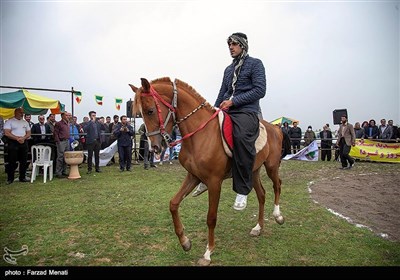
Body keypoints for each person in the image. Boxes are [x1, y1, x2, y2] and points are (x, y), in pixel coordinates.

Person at [194, 32, 266, 211]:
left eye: (234, 44)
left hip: (247, 112)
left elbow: (260, 90)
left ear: (243, 45)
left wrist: (235, 101)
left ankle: (242, 190)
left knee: (240, 136)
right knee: (205, 134)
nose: (231, 48)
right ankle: (204, 178)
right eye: (229, 45)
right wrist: (214, 110)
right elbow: (222, 92)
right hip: (226, 110)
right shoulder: (228, 69)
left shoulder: (256, 64)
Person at [3, 108, 31, 184]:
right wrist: (17, 138)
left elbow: (28, 133)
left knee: (24, 161)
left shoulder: (25, 122)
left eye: (22, 113)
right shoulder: (10, 121)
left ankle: (22, 177)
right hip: (13, 142)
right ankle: (10, 178)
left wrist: (23, 138)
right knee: (12, 161)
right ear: (15, 113)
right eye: (20, 112)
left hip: (23, 142)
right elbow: (7, 133)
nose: (22, 114)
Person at [54, 111, 71, 178]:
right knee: (60, 157)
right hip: (61, 141)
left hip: (67, 141)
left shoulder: (68, 123)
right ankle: (58, 172)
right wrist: (58, 141)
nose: (68, 117)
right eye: (66, 115)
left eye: (68, 115)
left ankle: (64, 171)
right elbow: (55, 133)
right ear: (62, 116)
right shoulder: (59, 123)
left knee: (66, 157)